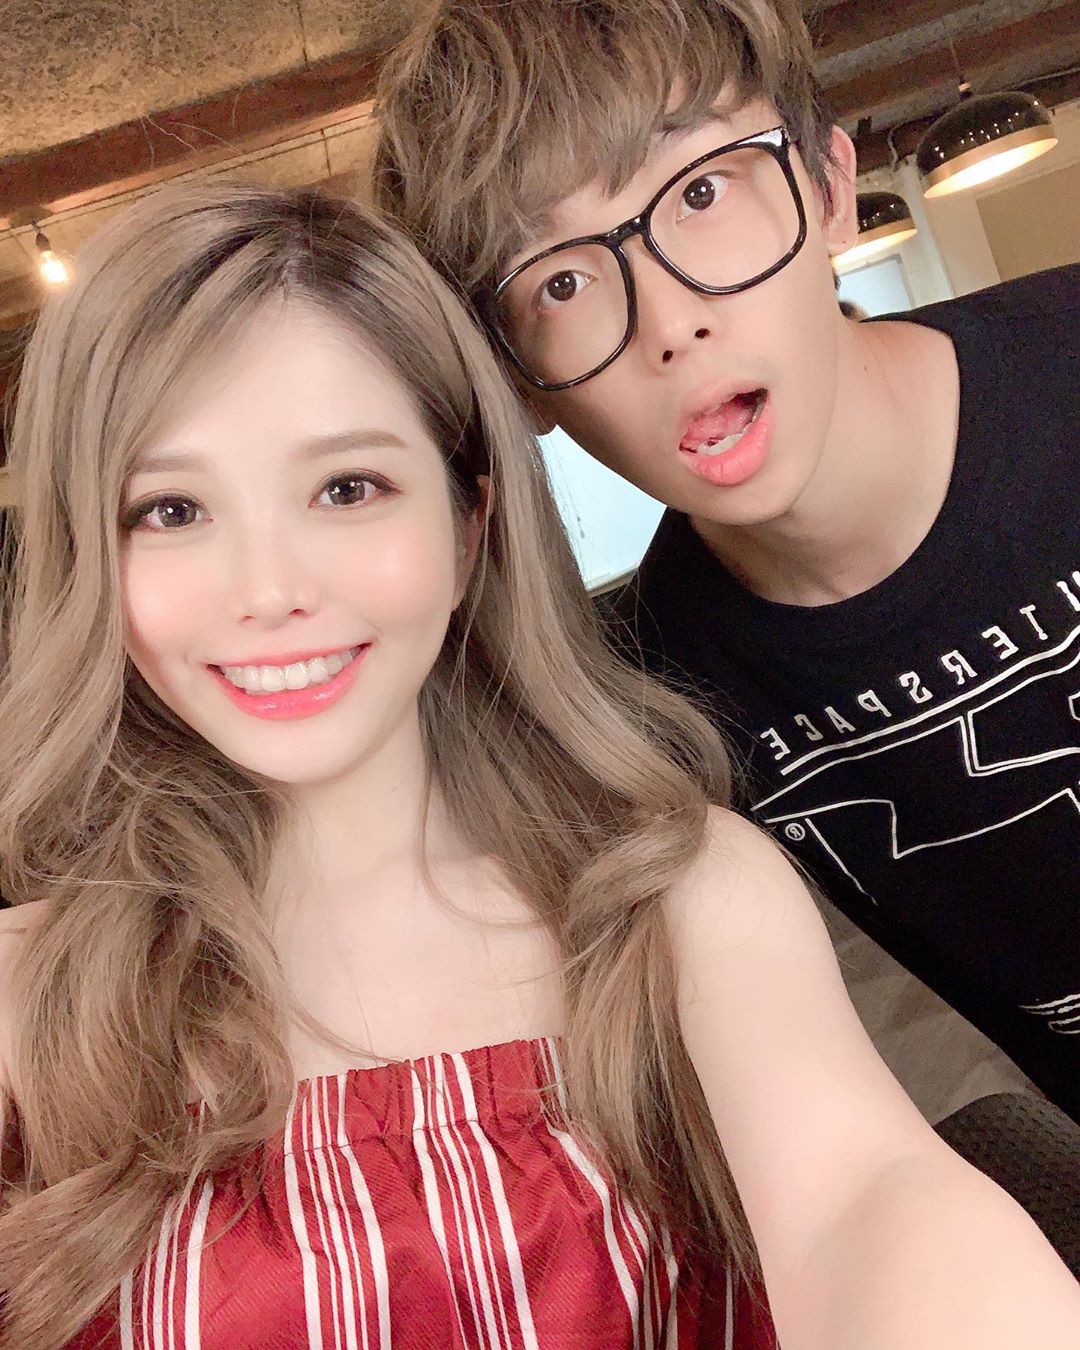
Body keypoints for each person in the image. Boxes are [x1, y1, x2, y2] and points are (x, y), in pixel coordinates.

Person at [0, 184, 1075, 1349]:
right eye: (169, 510)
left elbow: (862, 1200)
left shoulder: (679, 899)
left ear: (469, 525)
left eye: (348, 488)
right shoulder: (27, 1002)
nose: (268, 590)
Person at [373, 0, 1080, 1120]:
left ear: (830, 186)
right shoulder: (646, 705)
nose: (669, 324)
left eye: (700, 194)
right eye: (560, 280)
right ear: (517, 380)